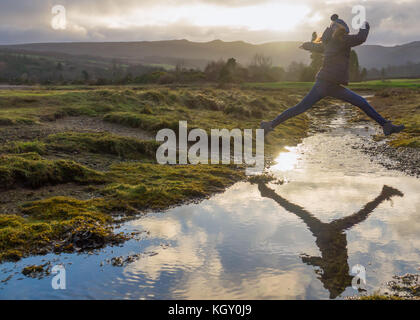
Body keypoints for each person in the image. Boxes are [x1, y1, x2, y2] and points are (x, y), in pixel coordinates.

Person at [260, 14, 405, 137]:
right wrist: (365, 26)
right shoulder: (341, 40)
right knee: (361, 102)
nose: (347, 34)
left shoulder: (329, 43)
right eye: (346, 31)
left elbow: (316, 47)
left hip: (326, 83)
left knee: (300, 108)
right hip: (328, 84)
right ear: (342, 30)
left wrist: (307, 45)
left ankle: (270, 125)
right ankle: (386, 126)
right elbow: (361, 38)